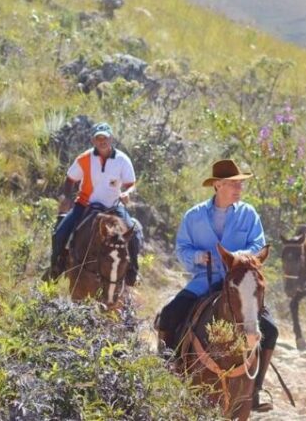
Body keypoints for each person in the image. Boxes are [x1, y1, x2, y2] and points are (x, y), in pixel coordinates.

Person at [157, 159, 278, 413]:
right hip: (205, 279)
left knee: (271, 329)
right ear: (218, 185)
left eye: (240, 184)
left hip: (241, 283)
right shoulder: (193, 216)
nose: (239, 188)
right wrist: (197, 256)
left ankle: (255, 389)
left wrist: (238, 257)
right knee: (169, 315)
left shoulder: (249, 214)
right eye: (234, 184)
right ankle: (167, 374)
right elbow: (182, 249)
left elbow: (258, 245)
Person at [46, 122, 143, 285]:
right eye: (98, 138)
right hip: (85, 204)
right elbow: (70, 179)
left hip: (113, 206)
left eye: (105, 138)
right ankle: (56, 267)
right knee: (60, 232)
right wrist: (67, 197)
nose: (102, 141)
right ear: (93, 140)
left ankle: (133, 271)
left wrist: (127, 193)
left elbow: (131, 184)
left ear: (111, 139)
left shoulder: (122, 160)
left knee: (133, 234)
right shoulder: (84, 158)